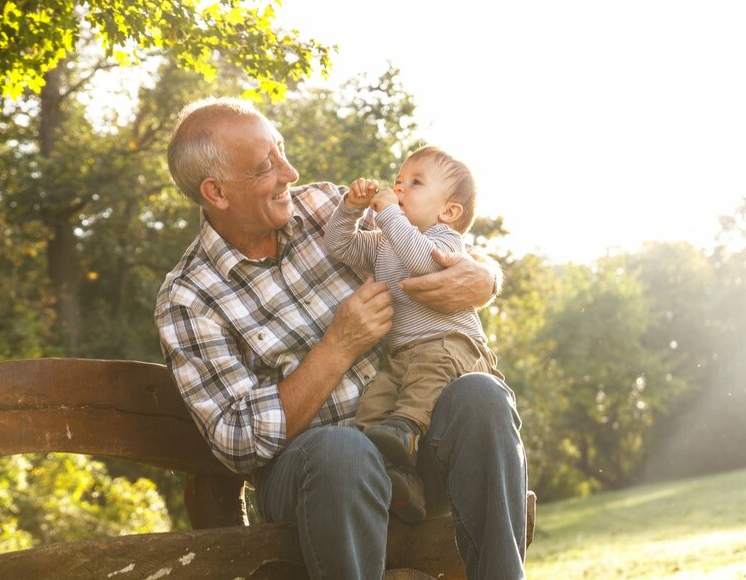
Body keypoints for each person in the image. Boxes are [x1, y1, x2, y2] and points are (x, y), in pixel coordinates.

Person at [155, 96, 527, 580]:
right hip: (316, 478)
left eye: (283, 151)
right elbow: (237, 441)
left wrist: (485, 276)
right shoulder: (188, 299)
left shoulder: (327, 205)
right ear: (217, 192)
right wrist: (336, 348)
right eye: (267, 166)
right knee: (341, 450)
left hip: (414, 454)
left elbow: (433, 241)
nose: (290, 172)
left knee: (481, 393)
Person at [324, 146, 504, 523]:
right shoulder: (385, 240)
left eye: (415, 183)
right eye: (397, 182)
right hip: (400, 356)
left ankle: (405, 430)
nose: (400, 189)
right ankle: (403, 481)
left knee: (423, 382)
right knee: (374, 406)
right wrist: (351, 209)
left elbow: (422, 262)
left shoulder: (445, 240)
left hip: (451, 346)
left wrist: (388, 212)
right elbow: (339, 245)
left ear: (449, 211)